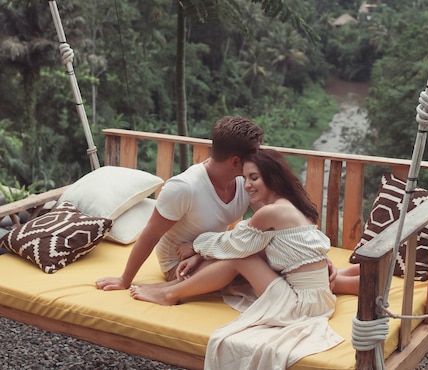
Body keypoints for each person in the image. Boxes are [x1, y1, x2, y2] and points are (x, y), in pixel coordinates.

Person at [129, 148, 345, 370]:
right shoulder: (289, 206)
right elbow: (250, 244)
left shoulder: (270, 213)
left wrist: (195, 246)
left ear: (273, 177)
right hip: (318, 300)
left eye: (254, 178)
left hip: (300, 306)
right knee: (245, 253)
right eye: (245, 178)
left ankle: (170, 293)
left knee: (240, 258)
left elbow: (233, 243)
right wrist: (199, 254)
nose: (247, 185)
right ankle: (174, 286)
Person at [95, 115, 264, 290]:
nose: (258, 159)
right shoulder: (185, 187)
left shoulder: (245, 182)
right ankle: (166, 292)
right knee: (244, 263)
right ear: (236, 161)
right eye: (255, 155)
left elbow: (267, 219)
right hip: (180, 264)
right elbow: (151, 234)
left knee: (264, 253)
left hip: (211, 252)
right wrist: (124, 280)